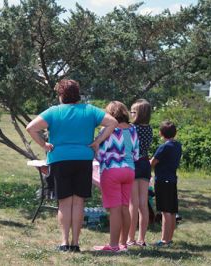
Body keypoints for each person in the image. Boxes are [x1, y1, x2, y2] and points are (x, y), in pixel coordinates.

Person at [26, 79, 117, 252]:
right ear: (78, 94)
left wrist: (44, 145)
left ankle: (63, 242)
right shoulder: (89, 110)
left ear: (61, 95)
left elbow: (30, 127)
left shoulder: (54, 112)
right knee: (78, 203)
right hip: (83, 160)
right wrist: (97, 141)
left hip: (59, 160)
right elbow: (112, 122)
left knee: (64, 203)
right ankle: (75, 243)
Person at [93, 101, 139, 253]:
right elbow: (136, 154)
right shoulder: (133, 129)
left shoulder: (107, 130)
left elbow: (101, 153)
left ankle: (113, 246)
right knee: (125, 207)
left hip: (111, 171)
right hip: (130, 171)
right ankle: (123, 244)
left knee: (114, 210)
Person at [150, 121, 182, 247]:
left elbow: (152, 162)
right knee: (173, 210)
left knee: (165, 211)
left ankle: (164, 240)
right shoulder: (177, 145)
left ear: (161, 133)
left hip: (162, 180)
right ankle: (170, 238)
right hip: (172, 180)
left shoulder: (164, 147)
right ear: (175, 133)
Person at [127, 99, 153, 247]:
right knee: (144, 203)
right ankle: (141, 239)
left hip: (133, 163)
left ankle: (130, 238)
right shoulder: (149, 128)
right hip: (145, 164)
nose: (131, 113)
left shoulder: (132, 128)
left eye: (133, 111)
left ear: (138, 114)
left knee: (133, 203)